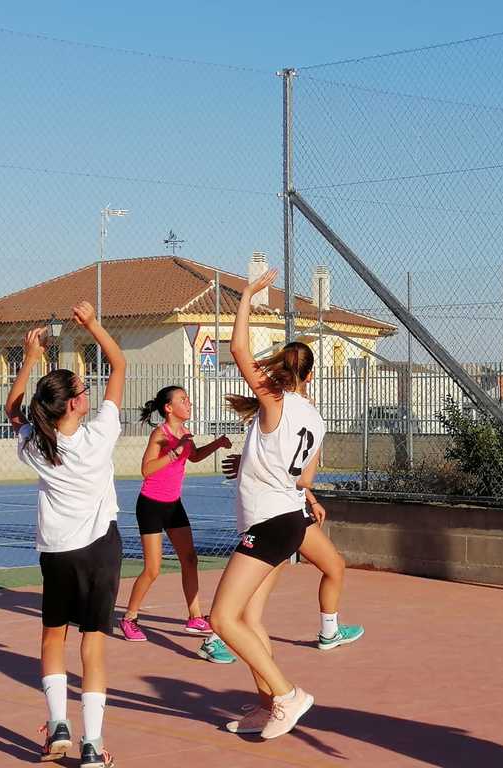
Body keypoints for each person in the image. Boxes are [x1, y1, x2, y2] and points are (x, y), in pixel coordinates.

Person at [8, 303, 125, 768]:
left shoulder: (36, 444)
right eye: (82, 387)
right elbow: (119, 363)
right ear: (76, 403)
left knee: (52, 637)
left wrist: (30, 358)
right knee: (92, 644)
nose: (88, 389)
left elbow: (12, 409)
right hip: (99, 550)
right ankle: (92, 746)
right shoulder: (100, 435)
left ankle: (59, 726)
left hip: (57, 553)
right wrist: (95, 325)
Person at [210, 268, 322, 740]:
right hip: (288, 518)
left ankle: (285, 693)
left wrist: (248, 298)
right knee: (249, 619)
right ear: (312, 375)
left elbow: (236, 349)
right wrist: (252, 464)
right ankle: (266, 705)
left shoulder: (274, 401)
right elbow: (302, 477)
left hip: (270, 522)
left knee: (221, 619)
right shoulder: (315, 419)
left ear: (280, 372)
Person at [118, 386, 234, 664]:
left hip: (173, 505)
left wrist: (216, 444)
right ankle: (130, 618)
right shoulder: (161, 435)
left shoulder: (185, 434)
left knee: (190, 559)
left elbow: (192, 457)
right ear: (168, 408)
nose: (189, 402)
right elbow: (146, 469)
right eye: (183, 400)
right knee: (153, 568)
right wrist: (174, 452)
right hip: (151, 506)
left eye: (188, 398)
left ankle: (194, 617)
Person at [222, 452, 364, 650]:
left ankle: (330, 632)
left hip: (293, 514)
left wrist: (312, 500)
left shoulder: (299, 429)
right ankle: (218, 637)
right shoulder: (285, 430)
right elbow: (293, 476)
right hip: (280, 516)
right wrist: (249, 466)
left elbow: (292, 476)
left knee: (334, 566)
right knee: (256, 590)